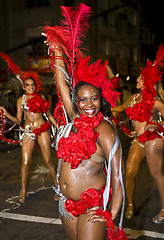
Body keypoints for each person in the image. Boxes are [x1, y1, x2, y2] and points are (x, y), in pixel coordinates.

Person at [42, 3, 128, 240]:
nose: (89, 105)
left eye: (94, 99)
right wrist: (56, 48)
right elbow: (61, 84)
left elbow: (119, 178)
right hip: (66, 204)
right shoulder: (73, 121)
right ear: (76, 102)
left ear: (102, 99)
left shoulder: (106, 130)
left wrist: (110, 213)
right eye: (83, 100)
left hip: (92, 208)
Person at [0, 53, 58, 203]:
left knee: (48, 161)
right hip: (27, 132)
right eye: (28, 85)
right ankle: (23, 190)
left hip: (42, 129)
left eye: (33, 85)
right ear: (24, 86)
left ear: (35, 86)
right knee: (25, 162)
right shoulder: (21, 100)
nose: (31, 87)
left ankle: (57, 186)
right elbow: (18, 120)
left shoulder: (42, 98)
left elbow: (49, 115)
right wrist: (6, 113)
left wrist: (57, 126)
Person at [111, 59, 164, 224]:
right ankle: (130, 206)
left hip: (154, 139)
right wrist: (99, 106)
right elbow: (119, 109)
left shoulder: (156, 102)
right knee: (129, 173)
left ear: (147, 81)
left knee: (156, 174)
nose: (136, 80)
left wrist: (155, 125)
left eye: (140, 78)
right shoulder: (134, 97)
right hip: (138, 139)